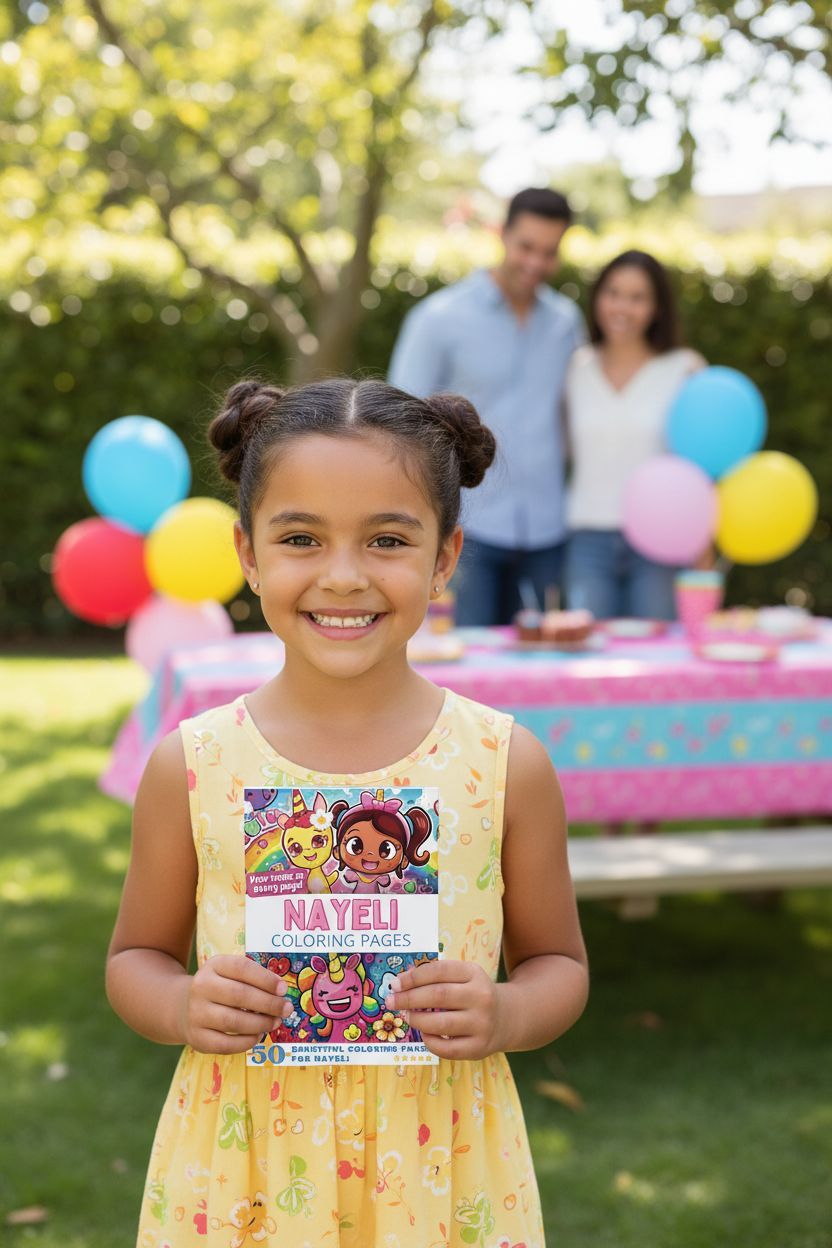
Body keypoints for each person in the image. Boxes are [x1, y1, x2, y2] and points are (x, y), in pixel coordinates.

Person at [106, 377, 589, 1247]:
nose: (343, 576)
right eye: (300, 538)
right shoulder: (192, 764)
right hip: (244, 1167)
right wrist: (182, 1004)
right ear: (247, 552)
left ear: (445, 559)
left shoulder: (504, 763)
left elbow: (559, 963)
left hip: (439, 1166)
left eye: (388, 540)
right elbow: (134, 957)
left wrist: (507, 1014)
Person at [389, 187, 585, 626]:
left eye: (550, 252)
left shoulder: (566, 323)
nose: (536, 263)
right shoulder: (438, 319)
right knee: (470, 672)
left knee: (546, 668)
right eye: (526, 247)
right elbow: (399, 425)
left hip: (548, 530)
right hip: (468, 531)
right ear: (503, 235)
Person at [564, 249, 706, 621]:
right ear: (598, 298)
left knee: (657, 659)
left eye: (637, 297)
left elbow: (703, 468)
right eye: (613, 293)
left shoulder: (684, 369)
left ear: (657, 307)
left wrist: (702, 550)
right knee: (587, 661)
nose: (622, 307)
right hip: (587, 539)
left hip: (659, 541)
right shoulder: (576, 368)